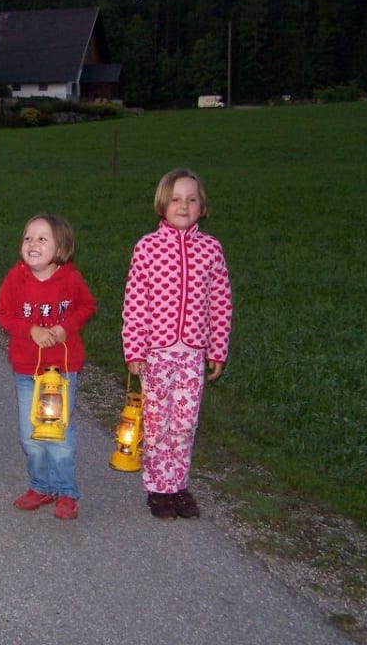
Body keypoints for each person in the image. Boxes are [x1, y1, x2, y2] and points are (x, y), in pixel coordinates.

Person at [122, 168, 232, 519]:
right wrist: (135, 349)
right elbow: (135, 302)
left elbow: (221, 302)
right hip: (156, 354)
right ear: (162, 204)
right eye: (176, 199)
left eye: (192, 199)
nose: (183, 206)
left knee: (184, 424)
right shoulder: (148, 248)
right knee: (157, 425)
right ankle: (158, 487)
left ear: (202, 206)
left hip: (192, 356)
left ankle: (178, 484)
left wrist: (217, 349)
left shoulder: (211, 249)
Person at [0, 214, 96, 520]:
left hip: (62, 370)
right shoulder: (16, 278)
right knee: (31, 434)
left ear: (61, 247)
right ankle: (41, 486)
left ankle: (66, 491)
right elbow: (3, 314)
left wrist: (66, 327)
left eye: (42, 238)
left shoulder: (70, 280)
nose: (32, 244)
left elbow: (87, 307)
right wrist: (30, 330)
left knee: (59, 433)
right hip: (28, 370)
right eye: (28, 238)